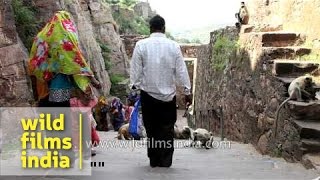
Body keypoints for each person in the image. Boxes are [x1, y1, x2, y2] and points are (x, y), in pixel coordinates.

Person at [27, 10, 101, 166]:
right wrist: (91, 79)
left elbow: (32, 64)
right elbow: (74, 61)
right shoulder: (62, 38)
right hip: (59, 87)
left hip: (42, 89)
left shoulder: (41, 37)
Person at [130, 15, 192, 168]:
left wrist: (133, 88)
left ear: (150, 28)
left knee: (151, 128)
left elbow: (135, 71)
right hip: (168, 97)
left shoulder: (141, 45)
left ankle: (154, 159)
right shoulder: (173, 46)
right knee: (167, 128)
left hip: (148, 95)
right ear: (164, 28)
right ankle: (165, 160)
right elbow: (181, 71)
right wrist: (187, 91)